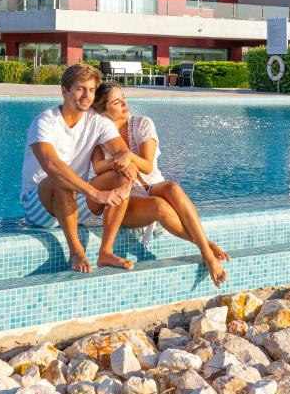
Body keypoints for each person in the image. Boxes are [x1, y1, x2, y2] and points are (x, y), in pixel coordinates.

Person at [91, 82, 230, 286]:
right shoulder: (101, 133)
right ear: (103, 109)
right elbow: (97, 167)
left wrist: (128, 156)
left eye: (124, 98)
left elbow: (147, 166)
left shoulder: (142, 124)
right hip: (126, 198)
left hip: (152, 184)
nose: (124, 104)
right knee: (159, 206)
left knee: (172, 187)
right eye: (116, 101)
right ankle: (206, 247)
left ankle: (207, 253)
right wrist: (115, 161)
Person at [20, 63, 136, 273]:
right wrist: (95, 193)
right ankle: (76, 252)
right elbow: (50, 164)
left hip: (75, 201)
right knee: (61, 178)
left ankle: (106, 252)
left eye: (91, 90)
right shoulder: (45, 121)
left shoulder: (98, 122)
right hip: (39, 204)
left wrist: (126, 185)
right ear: (64, 91)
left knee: (120, 173)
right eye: (80, 89)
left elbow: (123, 154)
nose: (87, 96)